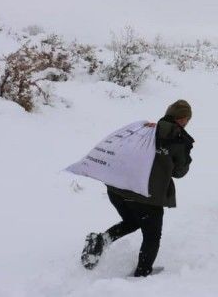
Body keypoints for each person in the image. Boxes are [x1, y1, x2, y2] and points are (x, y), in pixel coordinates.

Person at [80, 100, 194, 277]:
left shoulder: (144, 129)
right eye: (187, 119)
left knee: (133, 222)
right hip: (144, 195)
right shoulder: (178, 139)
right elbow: (179, 172)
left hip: (117, 189)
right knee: (152, 236)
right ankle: (142, 274)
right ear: (184, 119)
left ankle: (101, 240)